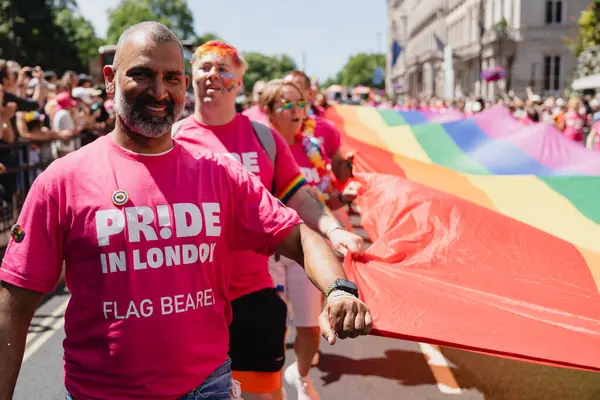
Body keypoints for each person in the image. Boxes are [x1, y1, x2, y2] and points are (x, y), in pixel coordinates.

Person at [0, 22, 372, 400]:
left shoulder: (220, 172)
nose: (159, 91)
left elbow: (301, 237)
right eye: (143, 75)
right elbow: (14, 304)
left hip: (207, 388)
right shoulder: (61, 181)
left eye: (172, 78)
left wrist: (339, 290)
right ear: (110, 80)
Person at [172, 40, 365, 400]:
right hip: (191, 298)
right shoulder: (173, 140)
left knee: (263, 395)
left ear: (239, 83)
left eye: (223, 69)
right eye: (205, 68)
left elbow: (300, 197)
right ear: (190, 79)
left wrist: (334, 229)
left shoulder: (263, 138)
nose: (213, 75)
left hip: (252, 291)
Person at [259, 79, 359, 399]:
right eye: (285, 105)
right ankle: (270, 385)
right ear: (269, 112)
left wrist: (344, 199)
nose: (295, 111)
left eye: (300, 104)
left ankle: (299, 375)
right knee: (272, 323)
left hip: (310, 249)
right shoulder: (260, 150)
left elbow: (325, 197)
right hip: (271, 252)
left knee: (310, 325)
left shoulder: (313, 148)